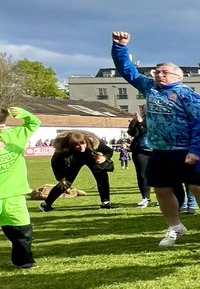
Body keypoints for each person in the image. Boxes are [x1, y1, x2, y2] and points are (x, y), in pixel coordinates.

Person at [111, 31, 200, 246]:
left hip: (184, 149)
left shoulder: (189, 95)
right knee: (161, 190)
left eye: (165, 72)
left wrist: (195, 150)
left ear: (178, 77)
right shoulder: (149, 88)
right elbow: (127, 72)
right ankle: (175, 227)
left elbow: (199, 123)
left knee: (198, 187)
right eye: (157, 72)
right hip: (158, 150)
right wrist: (120, 48)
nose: (159, 75)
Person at [1, 107, 40, 269]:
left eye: (2, 123)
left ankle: (24, 261)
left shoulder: (16, 135)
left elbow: (34, 123)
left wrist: (23, 114)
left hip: (14, 194)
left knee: (22, 230)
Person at [40, 131, 116, 210]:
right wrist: (61, 178)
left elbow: (109, 151)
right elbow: (55, 163)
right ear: (71, 145)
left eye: (83, 143)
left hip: (91, 157)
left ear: (86, 141)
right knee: (66, 183)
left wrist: (104, 157)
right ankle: (46, 204)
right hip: (74, 159)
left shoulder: (94, 141)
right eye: (77, 145)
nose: (81, 147)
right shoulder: (63, 148)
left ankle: (105, 203)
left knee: (102, 178)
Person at [127, 110, 153, 208]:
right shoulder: (137, 120)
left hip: (157, 150)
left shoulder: (161, 119)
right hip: (141, 151)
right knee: (142, 175)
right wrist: (137, 122)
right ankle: (145, 197)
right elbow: (132, 133)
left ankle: (161, 197)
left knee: (159, 174)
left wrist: (142, 123)